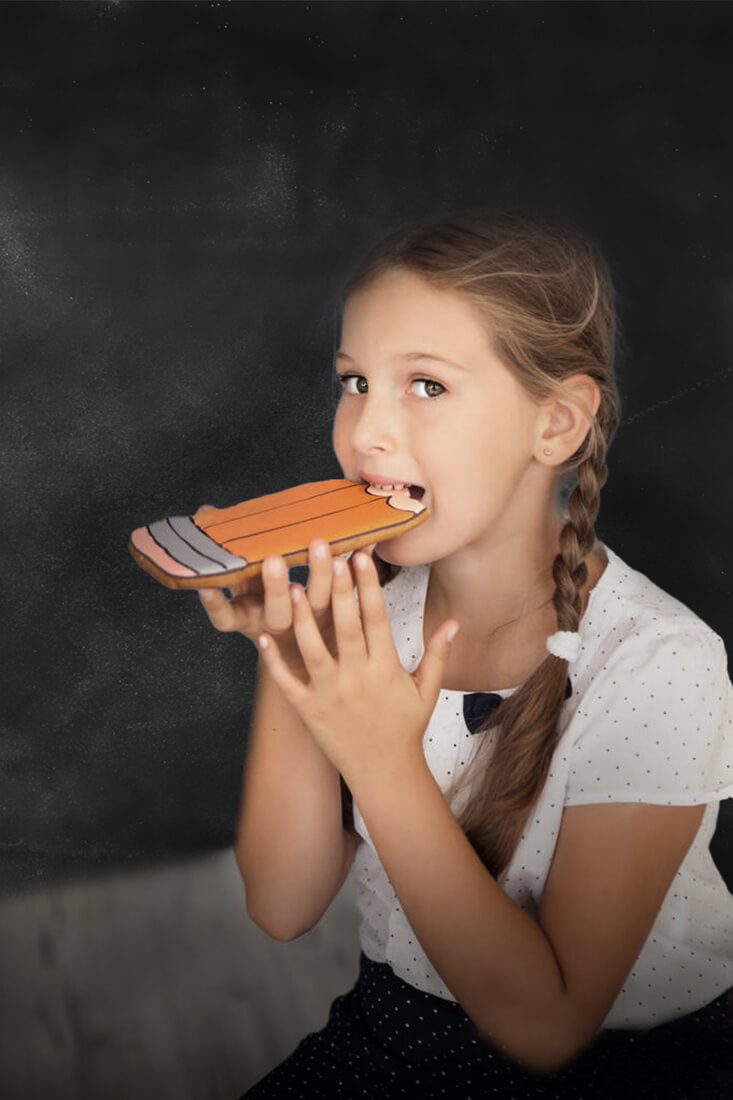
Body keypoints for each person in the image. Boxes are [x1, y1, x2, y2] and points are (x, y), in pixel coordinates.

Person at [198, 213, 733, 1098]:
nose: (366, 431)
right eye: (355, 381)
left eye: (426, 387)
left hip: (627, 1069)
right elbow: (282, 904)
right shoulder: (368, 613)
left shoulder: (659, 664)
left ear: (555, 424)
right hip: (397, 1035)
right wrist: (288, 644)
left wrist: (380, 757)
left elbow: (548, 1026)